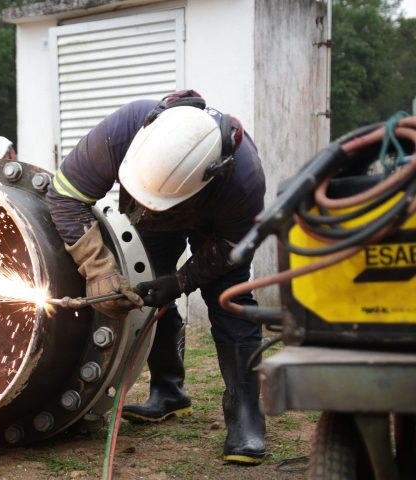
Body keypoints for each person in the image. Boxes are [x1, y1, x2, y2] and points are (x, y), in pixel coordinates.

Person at [47, 90, 266, 465]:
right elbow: (64, 196)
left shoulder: (242, 182)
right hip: (149, 218)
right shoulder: (124, 129)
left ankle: (245, 417)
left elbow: (231, 248)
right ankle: (169, 392)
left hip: (214, 227)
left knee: (230, 303)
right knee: (147, 294)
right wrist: (100, 269)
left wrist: (182, 281)